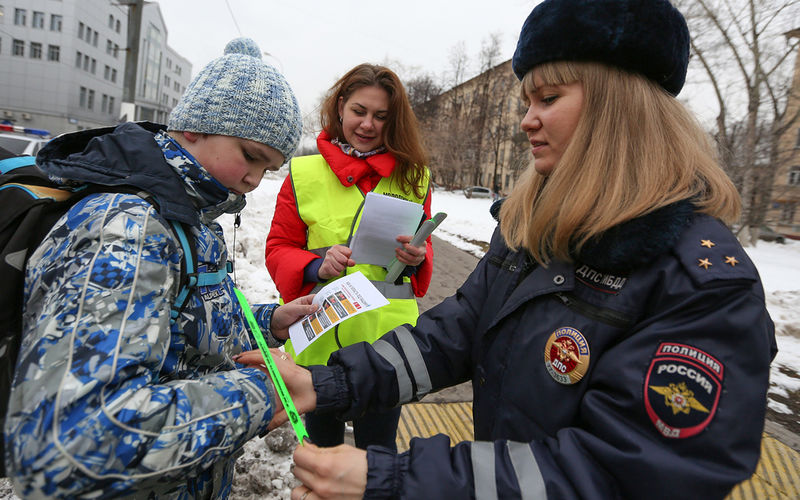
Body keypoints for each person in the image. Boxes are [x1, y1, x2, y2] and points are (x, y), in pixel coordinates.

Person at [241, 1, 778, 498]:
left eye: (547, 99)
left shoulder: (704, 284)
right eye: (526, 101)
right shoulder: (533, 231)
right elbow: (458, 332)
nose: (526, 120)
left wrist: (393, 478)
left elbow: (622, 474)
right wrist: (325, 382)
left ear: (620, 109)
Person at [3, 38, 317, 498]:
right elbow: (71, 443)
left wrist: (269, 322)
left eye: (270, 168)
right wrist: (263, 392)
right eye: (251, 156)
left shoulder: (187, 211)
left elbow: (182, 322)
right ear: (195, 128)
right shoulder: (126, 229)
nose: (254, 179)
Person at [264, 64, 432, 451]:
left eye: (381, 116)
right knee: (323, 453)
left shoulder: (414, 177)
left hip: (388, 344)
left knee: (378, 455)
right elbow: (278, 248)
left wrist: (417, 256)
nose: (368, 124)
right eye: (359, 111)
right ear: (341, 107)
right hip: (322, 341)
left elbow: (422, 252)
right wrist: (314, 265)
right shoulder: (304, 174)